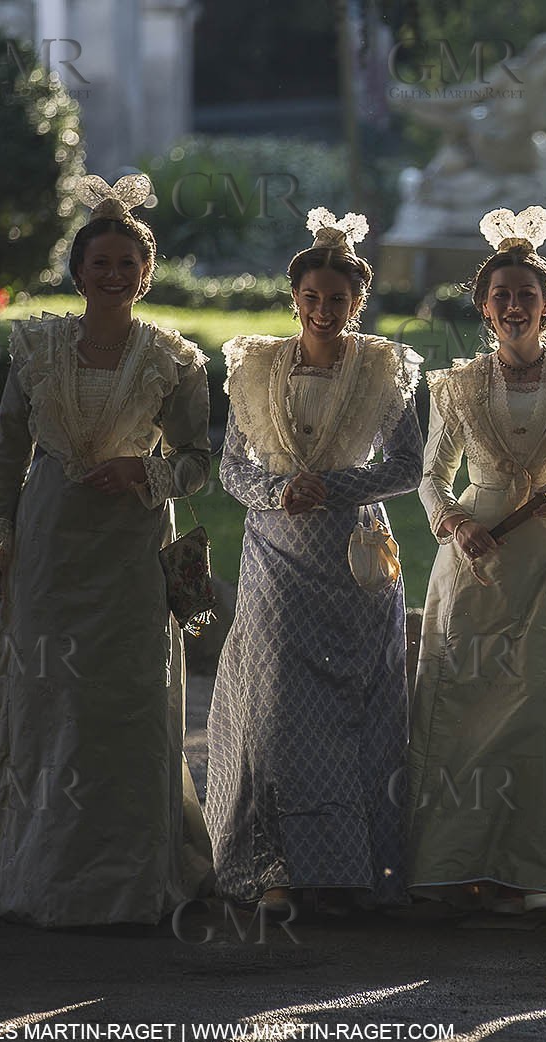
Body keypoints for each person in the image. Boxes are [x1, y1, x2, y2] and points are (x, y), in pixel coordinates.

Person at [0, 174, 213, 927]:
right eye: (102, 262)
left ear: (146, 272)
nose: (116, 275)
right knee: (46, 700)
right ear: (79, 270)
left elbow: (198, 459)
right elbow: (5, 458)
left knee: (124, 704)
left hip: (130, 547)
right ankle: (37, 861)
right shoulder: (36, 347)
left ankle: (129, 871)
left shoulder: (175, 359)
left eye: (129, 263)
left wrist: (145, 469)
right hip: (48, 545)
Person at [406, 206, 546, 911]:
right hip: (476, 561)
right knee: (469, 708)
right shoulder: (457, 387)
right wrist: (449, 520)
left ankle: (536, 867)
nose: (514, 307)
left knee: (541, 703)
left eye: (527, 296)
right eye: (501, 296)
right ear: (483, 306)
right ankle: (460, 862)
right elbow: (430, 475)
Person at [205, 209, 422, 916]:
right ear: (294, 296)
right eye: (313, 297)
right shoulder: (257, 367)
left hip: (356, 560)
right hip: (275, 554)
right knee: (275, 707)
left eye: (339, 300)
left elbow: (410, 465)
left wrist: (334, 487)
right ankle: (276, 867)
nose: (324, 310)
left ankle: (352, 867)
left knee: (356, 712)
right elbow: (232, 469)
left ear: (356, 304)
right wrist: (278, 491)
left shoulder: (383, 369)